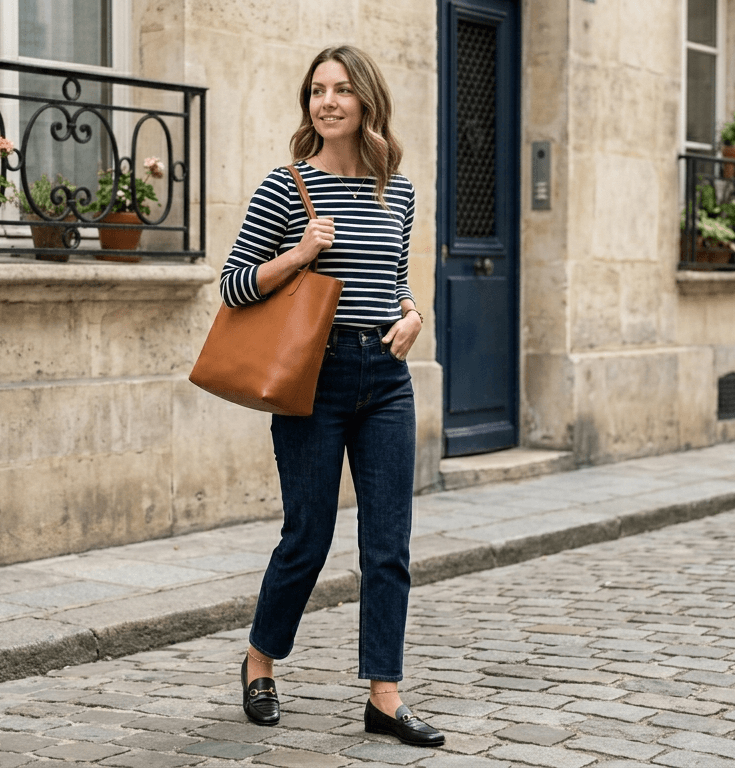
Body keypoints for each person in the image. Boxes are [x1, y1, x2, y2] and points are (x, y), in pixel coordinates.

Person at [218, 45, 444, 748]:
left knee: (388, 545)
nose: (327, 101)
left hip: (383, 377)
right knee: (307, 537)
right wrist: (298, 253)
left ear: (366, 100)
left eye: (342, 89)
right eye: (317, 90)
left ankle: (384, 694)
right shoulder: (286, 187)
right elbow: (232, 284)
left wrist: (412, 314)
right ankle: (260, 661)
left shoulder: (395, 189)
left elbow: (392, 277)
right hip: (309, 378)